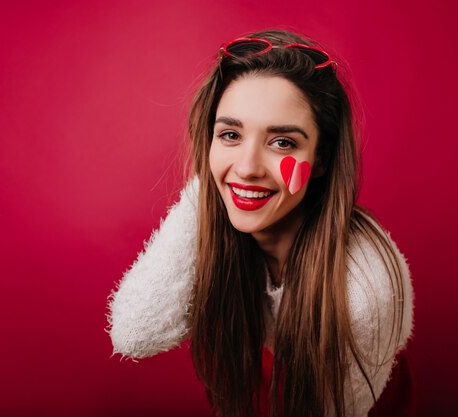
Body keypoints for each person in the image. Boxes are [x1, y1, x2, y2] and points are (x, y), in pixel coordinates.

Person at [106, 29, 415, 417]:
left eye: (282, 142)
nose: (249, 168)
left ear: (321, 159)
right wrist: (212, 181)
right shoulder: (223, 224)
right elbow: (135, 333)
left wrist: (226, 173)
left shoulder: (362, 295)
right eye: (231, 134)